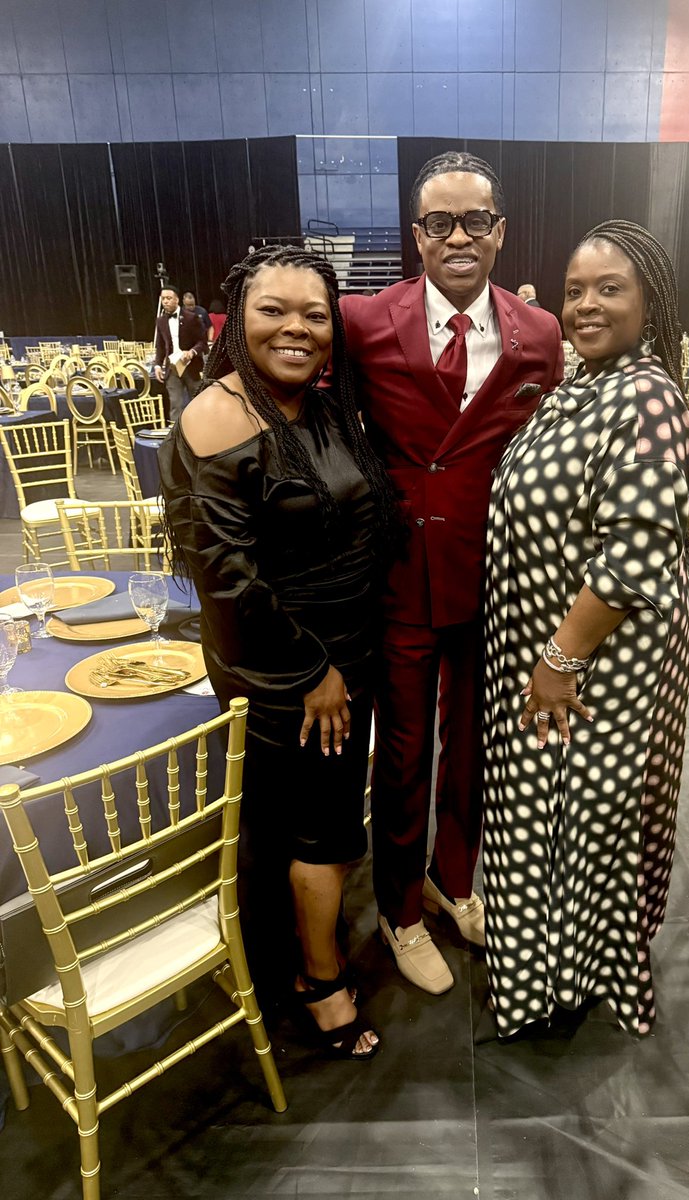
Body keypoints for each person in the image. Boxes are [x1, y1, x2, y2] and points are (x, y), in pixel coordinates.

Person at [158, 246, 398, 1060]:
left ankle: (295, 957)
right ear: (235, 319)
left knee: (317, 819)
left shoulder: (323, 410)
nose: (296, 328)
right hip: (288, 670)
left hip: (346, 653)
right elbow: (226, 578)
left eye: (315, 314)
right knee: (317, 831)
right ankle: (318, 984)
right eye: (273, 310)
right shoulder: (216, 417)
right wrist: (312, 673)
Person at [341, 151, 564, 994]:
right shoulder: (364, 322)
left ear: (501, 233)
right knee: (399, 755)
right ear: (417, 235)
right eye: (440, 222)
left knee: (474, 747)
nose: (459, 235)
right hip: (398, 576)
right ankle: (399, 910)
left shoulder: (538, 335)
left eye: (475, 220)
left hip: (496, 578)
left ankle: (453, 877)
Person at [482, 220, 689, 1039]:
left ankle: (565, 983)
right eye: (575, 289)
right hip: (552, 658)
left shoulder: (647, 397)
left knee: (577, 820)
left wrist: (559, 658)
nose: (585, 304)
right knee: (547, 816)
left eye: (610, 289)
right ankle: (544, 971)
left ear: (650, 301)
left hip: (594, 665)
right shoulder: (583, 387)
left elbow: (634, 554)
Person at [153, 286, 206, 419]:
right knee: (175, 404)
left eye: (169, 298)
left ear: (177, 300)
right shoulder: (161, 321)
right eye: (163, 298)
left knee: (197, 402)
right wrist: (158, 365)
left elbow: (202, 342)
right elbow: (160, 346)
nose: (165, 301)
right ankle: (176, 437)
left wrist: (192, 352)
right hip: (172, 368)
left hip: (191, 365)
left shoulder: (191, 318)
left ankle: (201, 432)